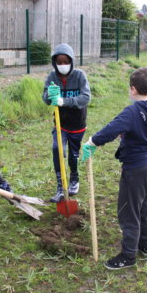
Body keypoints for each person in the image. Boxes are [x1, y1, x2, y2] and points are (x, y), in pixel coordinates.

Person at [82, 67, 147, 270]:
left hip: (137, 169)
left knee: (129, 212)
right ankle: (145, 246)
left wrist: (91, 143)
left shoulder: (133, 111)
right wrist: (132, 135)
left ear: (133, 89)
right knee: (145, 208)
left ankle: (128, 255)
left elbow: (111, 129)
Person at [42, 43, 91, 203]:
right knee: (57, 149)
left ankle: (74, 179)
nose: (62, 65)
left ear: (71, 61)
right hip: (60, 124)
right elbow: (45, 98)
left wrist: (64, 101)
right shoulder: (52, 77)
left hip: (77, 124)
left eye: (65, 61)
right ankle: (60, 186)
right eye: (59, 62)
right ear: (55, 63)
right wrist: (50, 95)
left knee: (73, 156)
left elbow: (85, 97)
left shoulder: (79, 76)